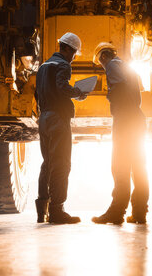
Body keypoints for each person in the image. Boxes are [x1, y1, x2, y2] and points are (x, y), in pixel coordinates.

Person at [91, 42, 149, 225]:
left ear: (103, 57)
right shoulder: (127, 67)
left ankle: (116, 212)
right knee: (139, 167)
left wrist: (110, 96)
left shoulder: (113, 65)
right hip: (137, 118)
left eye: (100, 62)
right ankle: (139, 213)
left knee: (120, 166)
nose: (102, 65)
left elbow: (118, 89)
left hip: (125, 119)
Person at [34, 32, 87, 224]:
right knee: (61, 163)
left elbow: (37, 93)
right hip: (58, 118)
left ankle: (42, 210)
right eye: (74, 53)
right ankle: (57, 211)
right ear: (68, 49)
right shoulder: (63, 65)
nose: (74, 57)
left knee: (47, 163)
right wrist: (78, 93)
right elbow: (62, 86)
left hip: (44, 118)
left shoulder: (43, 66)